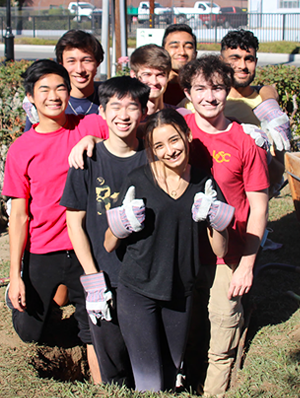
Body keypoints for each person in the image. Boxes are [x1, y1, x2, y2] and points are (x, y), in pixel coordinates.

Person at [104, 108, 233, 392]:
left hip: (180, 293)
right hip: (137, 290)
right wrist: (122, 221)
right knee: (149, 382)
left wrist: (215, 218)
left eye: (174, 140)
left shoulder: (204, 182)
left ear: (186, 136)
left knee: (172, 372)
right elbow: (109, 243)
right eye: (158, 145)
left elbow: (220, 249)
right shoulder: (137, 179)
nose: (169, 151)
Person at [2, 59, 108, 384]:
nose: (53, 95)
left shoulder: (88, 126)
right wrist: (14, 276)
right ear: (31, 97)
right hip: (43, 250)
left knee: (98, 326)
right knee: (29, 330)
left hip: (84, 250)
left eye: (60, 88)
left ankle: (100, 376)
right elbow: (18, 215)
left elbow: (129, 132)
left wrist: (95, 141)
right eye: (44, 89)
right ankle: (38, 301)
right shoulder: (22, 150)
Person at [179, 55, 269, 397]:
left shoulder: (245, 141)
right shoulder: (178, 131)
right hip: (184, 251)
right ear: (187, 93)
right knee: (188, 327)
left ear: (227, 91)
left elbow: (259, 209)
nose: (209, 96)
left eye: (217, 88)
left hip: (228, 255)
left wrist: (246, 265)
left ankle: (213, 392)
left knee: (222, 328)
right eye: (200, 88)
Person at [60, 76, 150, 387]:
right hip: (104, 274)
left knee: (145, 357)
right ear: (101, 110)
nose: (123, 115)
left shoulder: (153, 158)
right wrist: (92, 277)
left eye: (132, 107)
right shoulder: (88, 160)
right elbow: (74, 222)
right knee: (110, 355)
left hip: (145, 277)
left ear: (143, 112)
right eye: (115, 107)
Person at [221, 29, 290, 197]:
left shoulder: (266, 106)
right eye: (234, 59)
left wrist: (260, 153)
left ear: (256, 62)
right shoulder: (205, 102)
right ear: (221, 61)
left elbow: (277, 173)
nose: (242, 66)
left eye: (249, 59)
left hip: (254, 203)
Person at [24, 30, 104, 130]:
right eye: (71, 61)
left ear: (98, 63)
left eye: (86, 60)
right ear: (61, 64)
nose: (79, 70)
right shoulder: (49, 103)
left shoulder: (111, 99)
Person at [162, 24, 197, 106]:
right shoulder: (153, 87)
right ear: (162, 52)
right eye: (174, 46)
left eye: (188, 47)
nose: (182, 52)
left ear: (195, 54)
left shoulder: (203, 88)